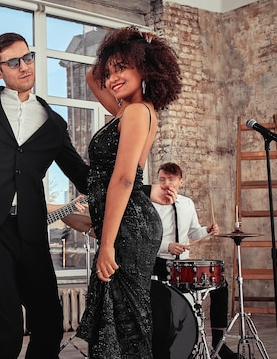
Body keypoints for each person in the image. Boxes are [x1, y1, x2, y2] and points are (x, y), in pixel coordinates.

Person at [0, 32, 90, 359]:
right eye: (13, 62)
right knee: (7, 331)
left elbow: (81, 174)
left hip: (31, 230)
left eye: (28, 57)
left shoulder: (53, 122)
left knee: (50, 326)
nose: (24, 66)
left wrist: (131, 185)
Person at [75, 26, 182, 358]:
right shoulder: (126, 110)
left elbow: (123, 180)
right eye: (112, 70)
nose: (111, 78)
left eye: (122, 67)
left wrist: (106, 244)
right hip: (126, 221)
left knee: (126, 323)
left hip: (129, 227)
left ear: (145, 67)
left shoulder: (136, 112)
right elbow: (94, 77)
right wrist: (126, 39)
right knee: (118, 320)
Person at [0, 198, 91, 359]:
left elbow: (36, 208)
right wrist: (67, 206)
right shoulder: (1, 193)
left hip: (25, 256)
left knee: (32, 313)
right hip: (3, 248)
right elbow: (24, 205)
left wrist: (68, 207)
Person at [151, 162, 238, 359]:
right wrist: (167, 246)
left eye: (171, 180)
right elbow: (144, 239)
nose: (166, 184)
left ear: (180, 182)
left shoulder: (187, 203)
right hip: (159, 263)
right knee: (167, 308)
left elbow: (193, 231)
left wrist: (206, 230)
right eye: (162, 179)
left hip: (182, 263)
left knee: (220, 284)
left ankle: (218, 343)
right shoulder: (151, 204)